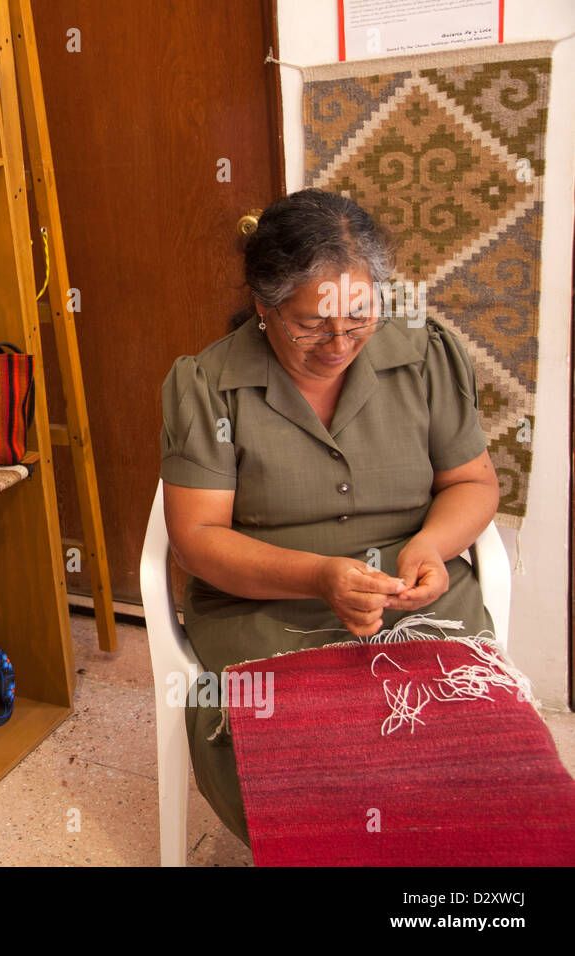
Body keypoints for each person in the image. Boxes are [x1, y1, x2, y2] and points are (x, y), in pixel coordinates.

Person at [158, 188, 500, 846]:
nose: (339, 342)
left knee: (473, 755)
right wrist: (321, 579)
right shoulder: (209, 385)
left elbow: (472, 481)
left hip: (412, 594)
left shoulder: (424, 356)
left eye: (359, 316)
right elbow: (196, 539)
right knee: (317, 774)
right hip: (265, 605)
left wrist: (431, 545)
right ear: (264, 306)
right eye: (312, 324)